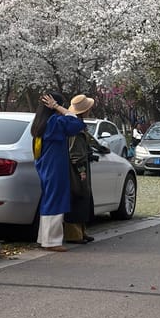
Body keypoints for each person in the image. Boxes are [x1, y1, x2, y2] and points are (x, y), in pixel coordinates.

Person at [30, 91, 86, 251]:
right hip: (55, 167)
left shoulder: (40, 122)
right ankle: (52, 241)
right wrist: (58, 107)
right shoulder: (54, 121)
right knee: (56, 201)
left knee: (48, 201)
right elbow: (75, 122)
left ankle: (44, 238)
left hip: (45, 166)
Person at [63, 94, 110, 244]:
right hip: (76, 169)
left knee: (84, 199)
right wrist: (81, 170)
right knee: (77, 198)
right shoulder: (75, 129)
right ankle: (74, 234)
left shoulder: (79, 124)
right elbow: (75, 153)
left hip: (81, 166)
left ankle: (82, 231)